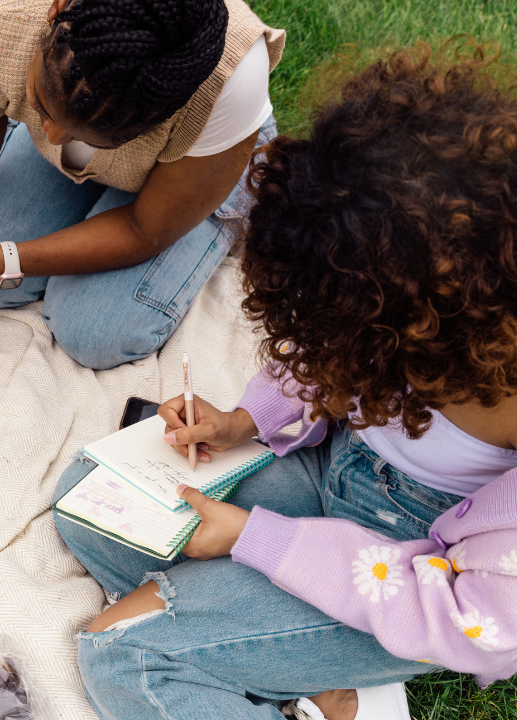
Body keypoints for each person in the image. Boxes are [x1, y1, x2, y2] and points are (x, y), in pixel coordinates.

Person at [52, 44, 517, 720]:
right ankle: (282, 662)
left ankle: (287, 662)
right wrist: (242, 423)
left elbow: (474, 620)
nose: (330, 358)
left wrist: (258, 540)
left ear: (422, 331)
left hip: (414, 584)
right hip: (329, 481)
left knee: (123, 652)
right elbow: (330, 352)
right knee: (93, 500)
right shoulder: (400, 303)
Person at [0, 0, 284, 381]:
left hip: (190, 172)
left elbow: (143, 229)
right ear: (56, 11)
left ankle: (233, 194)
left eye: (85, 135)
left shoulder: (227, 86)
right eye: (40, 102)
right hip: (99, 117)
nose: (49, 137)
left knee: (92, 332)